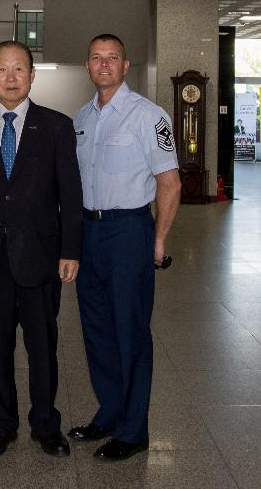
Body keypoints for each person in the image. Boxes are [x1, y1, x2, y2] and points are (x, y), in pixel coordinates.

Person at [0, 40, 83, 458]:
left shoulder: (57, 126)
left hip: (41, 258)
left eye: (19, 69)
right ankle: (0, 426)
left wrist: (70, 249)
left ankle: (46, 425)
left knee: (42, 348)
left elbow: (71, 194)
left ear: (32, 75)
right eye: (2, 70)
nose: (10, 77)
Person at [68, 34, 181, 461]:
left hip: (129, 231)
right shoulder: (80, 118)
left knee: (130, 332)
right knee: (96, 329)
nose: (104, 63)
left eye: (112, 57)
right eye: (96, 57)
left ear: (125, 64)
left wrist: (158, 239)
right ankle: (110, 412)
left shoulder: (148, 116)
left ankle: (133, 432)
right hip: (89, 232)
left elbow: (170, 183)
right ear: (87, 65)